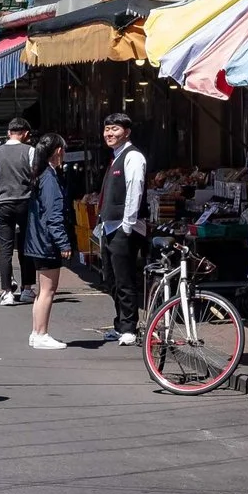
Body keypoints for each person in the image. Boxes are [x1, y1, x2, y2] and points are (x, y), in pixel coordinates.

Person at [96, 112, 150, 342]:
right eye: (107, 129)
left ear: (126, 132)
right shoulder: (116, 156)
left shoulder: (133, 156)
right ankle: (120, 324)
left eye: (115, 129)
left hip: (124, 227)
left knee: (125, 278)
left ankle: (129, 328)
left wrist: (127, 225)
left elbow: (135, 188)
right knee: (111, 278)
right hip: (109, 226)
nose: (109, 133)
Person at [21, 134, 76, 351]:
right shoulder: (50, 178)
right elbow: (54, 216)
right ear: (57, 152)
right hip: (46, 242)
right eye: (63, 149)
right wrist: (63, 243)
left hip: (37, 240)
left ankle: (37, 332)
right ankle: (41, 333)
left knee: (42, 289)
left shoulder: (42, 174)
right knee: (48, 290)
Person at [0, 116, 37, 304]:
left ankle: (7, 291)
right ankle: (27, 288)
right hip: (25, 202)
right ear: (25, 134)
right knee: (26, 246)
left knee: (5, 248)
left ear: (8, 133)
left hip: (3, 203)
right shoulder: (30, 151)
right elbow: (35, 176)